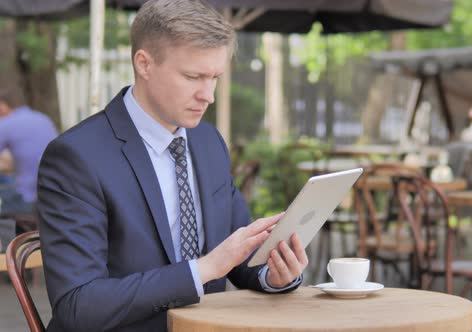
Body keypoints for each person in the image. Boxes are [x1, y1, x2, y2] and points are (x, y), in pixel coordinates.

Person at [37, 1, 308, 331]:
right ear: (144, 64)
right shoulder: (76, 157)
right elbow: (78, 306)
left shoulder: (208, 141)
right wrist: (203, 269)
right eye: (194, 77)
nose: (208, 95)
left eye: (215, 78)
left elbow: (239, 261)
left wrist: (274, 275)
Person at [0, 88, 57, 215]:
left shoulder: (5, 123)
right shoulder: (42, 117)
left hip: (28, 194)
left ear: (2, 106)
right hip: (54, 187)